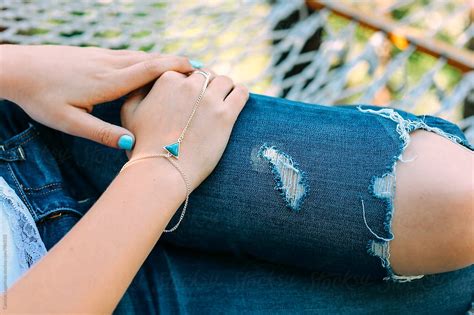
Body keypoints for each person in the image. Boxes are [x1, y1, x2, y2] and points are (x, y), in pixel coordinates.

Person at [0, 44, 472, 314]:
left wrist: (14, 68)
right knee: (457, 283)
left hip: (30, 137)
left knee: (456, 199)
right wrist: (162, 170)